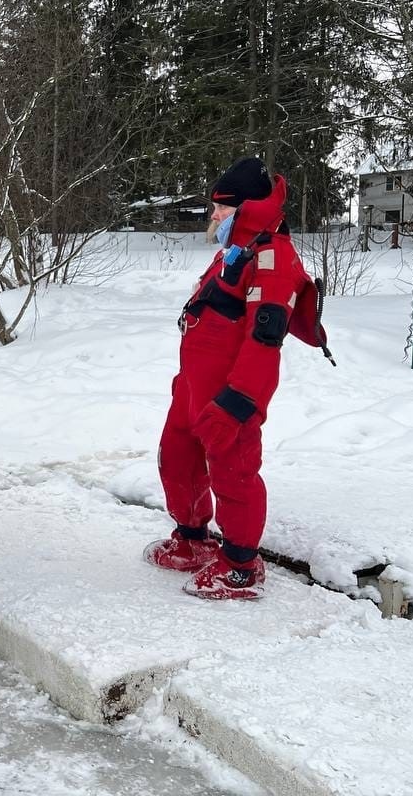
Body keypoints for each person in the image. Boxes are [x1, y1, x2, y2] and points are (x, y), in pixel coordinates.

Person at [144, 156, 314, 600]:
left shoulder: (274, 260)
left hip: (230, 393)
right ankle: (193, 539)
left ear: (249, 208)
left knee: (233, 472)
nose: (214, 215)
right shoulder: (234, 252)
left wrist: (238, 403)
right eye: (215, 207)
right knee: (177, 456)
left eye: (223, 208)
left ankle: (241, 565)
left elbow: (264, 343)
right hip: (193, 386)